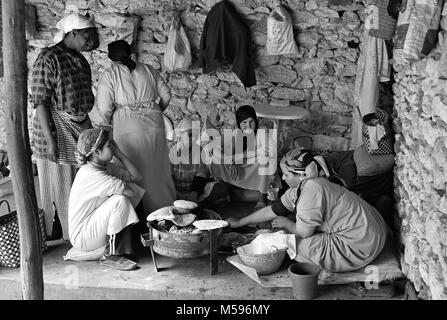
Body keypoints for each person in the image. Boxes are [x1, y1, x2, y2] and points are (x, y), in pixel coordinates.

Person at [226, 149, 388, 272]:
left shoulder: (313, 190)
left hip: (360, 245)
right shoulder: (307, 184)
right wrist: (240, 222)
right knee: (283, 233)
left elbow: (304, 233)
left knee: (294, 244)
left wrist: (287, 224)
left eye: (286, 174)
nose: (283, 178)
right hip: (371, 232)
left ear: (300, 175)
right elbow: (273, 210)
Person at [30, 13, 99, 240]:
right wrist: (51, 141)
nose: (91, 42)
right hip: (54, 128)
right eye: (87, 37)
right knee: (59, 185)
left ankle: (79, 230)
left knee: (80, 182)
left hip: (79, 126)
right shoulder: (48, 58)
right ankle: (65, 232)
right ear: (73, 33)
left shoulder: (79, 59)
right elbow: (40, 102)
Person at [95, 40, 176, 215]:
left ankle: (137, 214)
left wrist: (111, 119)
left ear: (112, 58)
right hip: (154, 124)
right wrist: (154, 111)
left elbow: (104, 108)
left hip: (127, 126)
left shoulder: (110, 75)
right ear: (131, 52)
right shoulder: (148, 69)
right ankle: (163, 211)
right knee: (157, 168)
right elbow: (167, 95)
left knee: (131, 167)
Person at [68, 128, 144, 271]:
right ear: (97, 152)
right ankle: (111, 255)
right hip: (82, 235)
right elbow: (129, 193)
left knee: (133, 191)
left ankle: (131, 241)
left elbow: (136, 177)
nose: (113, 148)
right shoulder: (91, 174)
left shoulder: (104, 166)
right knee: (120, 200)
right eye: (110, 146)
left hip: (91, 227)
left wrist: (119, 154)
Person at [202, 105, 277, 211]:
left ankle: (262, 196)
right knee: (215, 158)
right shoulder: (236, 133)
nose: (248, 125)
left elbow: (270, 150)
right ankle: (225, 188)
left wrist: (238, 156)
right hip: (240, 168)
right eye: (244, 122)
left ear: (256, 120)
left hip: (254, 169)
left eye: (251, 121)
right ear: (239, 124)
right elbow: (211, 147)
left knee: (264, 159)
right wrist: (227, 159)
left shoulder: (262, 131)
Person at [170, 118, 231, 206]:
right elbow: (167, 178)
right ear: (180, 135)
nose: (193, 139)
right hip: (174, 193)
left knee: (222, 188)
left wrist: (194, 193)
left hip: (192, 192)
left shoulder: (199, 151)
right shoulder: (171, 151)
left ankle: (203, 203)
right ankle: (210, 203)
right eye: (190, 135)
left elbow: (200, 178)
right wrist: (176, 193)